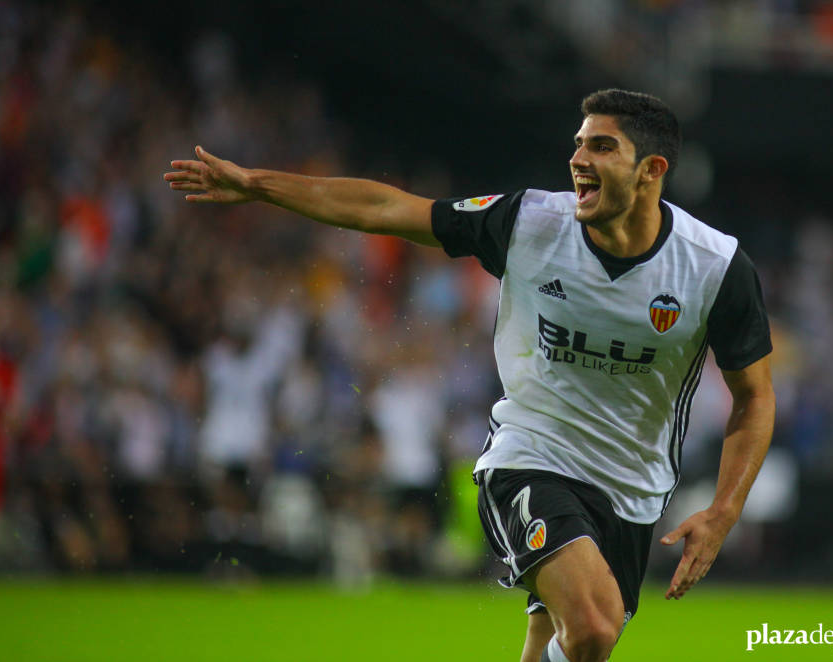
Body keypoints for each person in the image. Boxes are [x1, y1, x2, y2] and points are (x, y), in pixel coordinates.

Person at [164, 89, 775, 662]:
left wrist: (723, 511)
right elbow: (385, 208)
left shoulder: (714, 268)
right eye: (578, 144)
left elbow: (754, 397)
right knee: (593, 627)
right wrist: (259, 185)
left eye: (602, 146)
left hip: (633, 488)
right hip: (532, 455)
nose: (578, 159)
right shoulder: (529, 223)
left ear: (651, 170)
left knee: (570, 646)